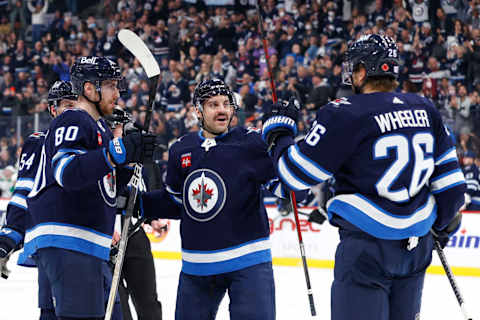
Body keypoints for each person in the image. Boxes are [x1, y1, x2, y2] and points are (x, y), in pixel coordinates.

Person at [262, 34, 467, 320]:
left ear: (361, 71)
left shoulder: (344, 113)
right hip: (417, 248)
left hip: (366, 250)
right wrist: (440, 228)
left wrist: (278, 133)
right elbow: (454, 190)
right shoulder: (425, 108)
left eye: (353, 67)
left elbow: (294, 176)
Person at [131, 79, 285, 320]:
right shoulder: (180, 149)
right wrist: (138, 203)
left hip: (248, 263)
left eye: (226, 103)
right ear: (198, 111)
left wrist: (283, 142)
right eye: (213, 104)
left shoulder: (252, 142)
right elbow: (177, 202)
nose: (222, 109)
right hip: (197, 268)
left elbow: (287, 188)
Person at [23, 56, 155, 320]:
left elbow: (103, 186)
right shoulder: (74, 118)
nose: (118, 93)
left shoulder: (98, 130)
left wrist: (128, 172)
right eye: (110, 85)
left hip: (90, 247)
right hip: (70, 241)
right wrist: (118, 152)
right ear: (89, 88)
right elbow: (66, 172)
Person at [0, 80, 77, 319]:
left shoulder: (96, 140)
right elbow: (25, 192)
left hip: (92, 243)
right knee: (53, 312)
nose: (73, 110)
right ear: (53, 109)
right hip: (54, 242)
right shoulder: (40, 141)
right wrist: (8, 238)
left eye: (77, 105)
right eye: (66, 105)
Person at [106, 106, 164, 320]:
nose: (116, 130)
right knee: (118, 305)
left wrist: (154, 217)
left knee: (148, 301)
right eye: (112, 125)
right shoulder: (99, 154)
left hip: (134, 232)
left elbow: (148, 189)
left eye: (120, 125)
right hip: (105, 237)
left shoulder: (140, 156)